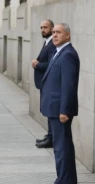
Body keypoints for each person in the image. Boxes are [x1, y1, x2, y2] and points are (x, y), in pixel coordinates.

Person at [40, 23, 79, 184]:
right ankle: (69, 179)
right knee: (64, 144)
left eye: (58, 32)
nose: (54, 35)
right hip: (55, 107)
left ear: (67, 36)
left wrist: (64, 110)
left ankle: (63, 181)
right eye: (53, 32)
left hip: (59, 110)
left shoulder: (68, 54)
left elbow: (68, 86)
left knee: (61, 146)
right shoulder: (59, 52)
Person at [32, 19, 55, 148]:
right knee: (46, 110)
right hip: (43, 83)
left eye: (45, 27)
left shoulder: (52, 44)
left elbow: (51, 64)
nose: (43, 30)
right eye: (41, 27)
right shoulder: (47, 42)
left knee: (49, 111)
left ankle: (51, 138)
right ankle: (49, 135)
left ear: (51, 28)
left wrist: (37, 64)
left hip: (47, 83)